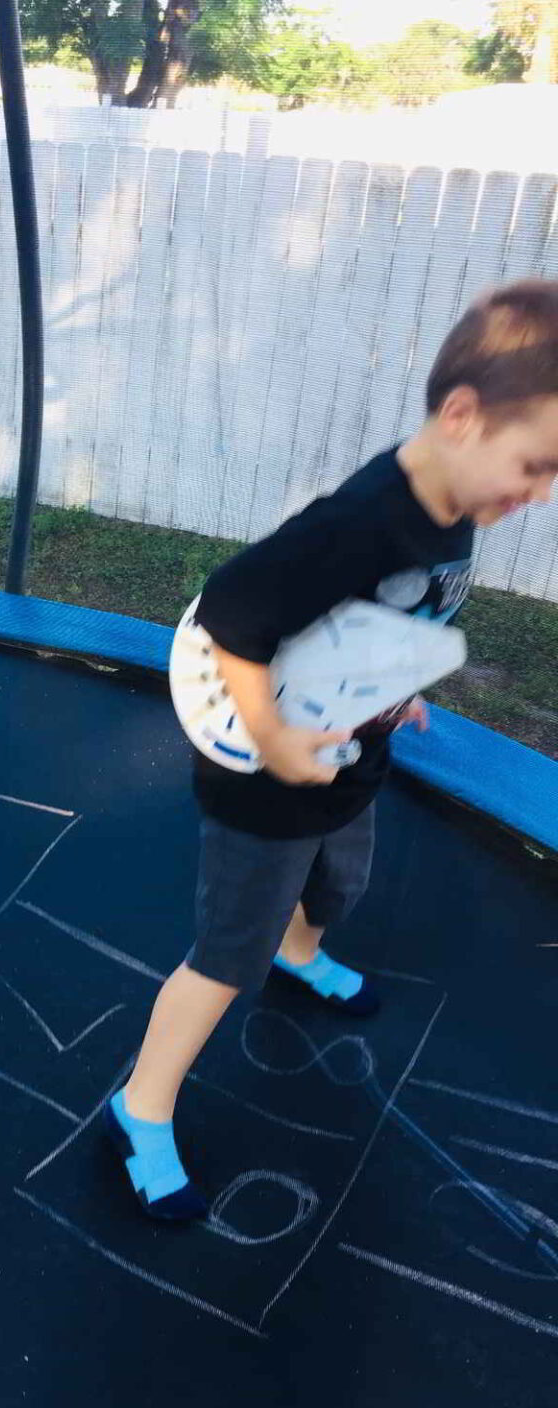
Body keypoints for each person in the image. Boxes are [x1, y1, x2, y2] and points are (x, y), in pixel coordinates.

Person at [106, 279, 558, 1220]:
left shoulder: (454, 505)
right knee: (226, 957)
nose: (538, 493)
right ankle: (140, 1104)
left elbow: (384, 615)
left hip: (350, 753)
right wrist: (271, 736)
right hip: (265, 777)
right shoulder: (358, 522)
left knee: (337, 887)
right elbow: (232, 614)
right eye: (537, 464)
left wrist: (399, 688)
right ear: (464, 416)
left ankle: (302, 952)